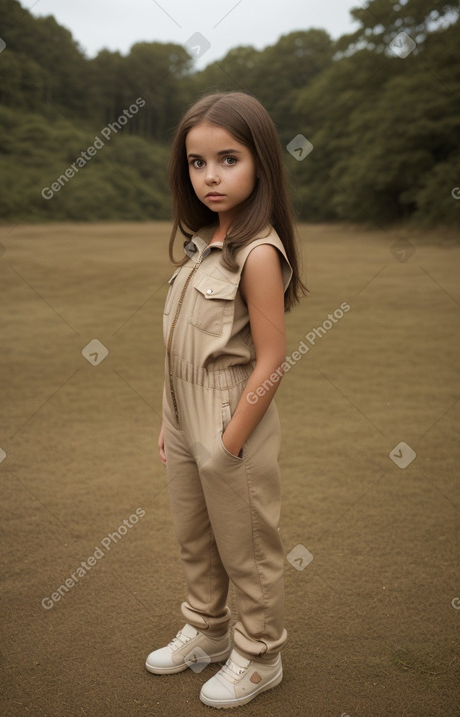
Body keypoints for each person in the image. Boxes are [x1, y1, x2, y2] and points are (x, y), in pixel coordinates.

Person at [145, 90, 307, 709]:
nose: (211, 176)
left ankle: (260, 653)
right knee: (196, 536)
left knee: (247, 547)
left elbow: (271, 359)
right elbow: (180, 347)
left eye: (228, 159)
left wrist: (230, 440)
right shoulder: (204, 243)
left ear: (261, 162)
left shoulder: (259, 251)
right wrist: (170, 420)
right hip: (184, 414)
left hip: (231, 414)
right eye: (197, 162)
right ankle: (209, 631)